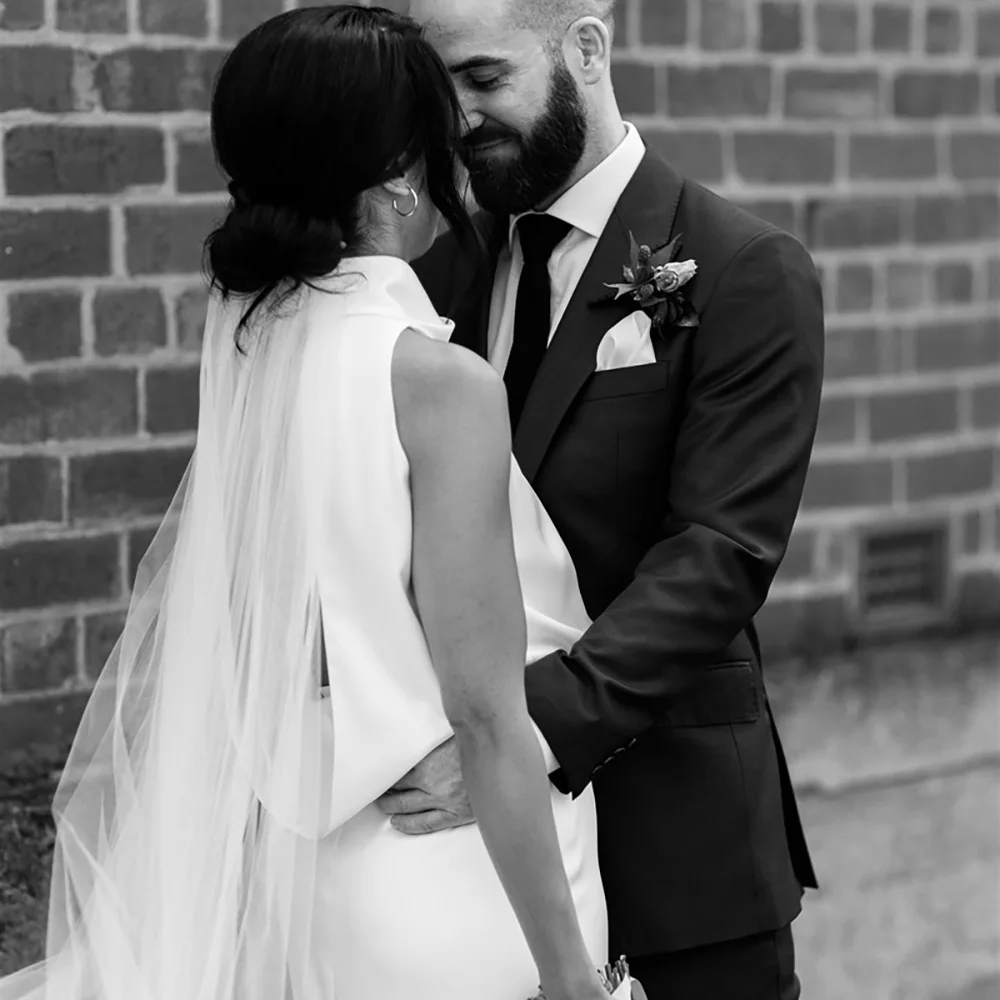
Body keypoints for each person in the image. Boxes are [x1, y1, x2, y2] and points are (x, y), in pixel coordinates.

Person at [0, 8, 618, 1000]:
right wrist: (569, 975)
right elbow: (488, 718)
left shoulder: (257, 350)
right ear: (403, 175)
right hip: (462, 886)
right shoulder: (438, 386)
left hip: (319, 889)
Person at [379, 1, 824, 997]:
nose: (453, 119)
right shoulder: (434, 269)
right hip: (474, 865)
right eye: (432, 89)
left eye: (482, 77)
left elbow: (720, 553)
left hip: (679, 836)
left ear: (584, 47)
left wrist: (509, 736)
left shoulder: (742, 267)